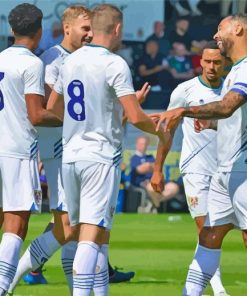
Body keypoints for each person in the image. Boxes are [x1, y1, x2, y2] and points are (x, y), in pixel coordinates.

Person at [47, 4, 166, 295]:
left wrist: (87, 122)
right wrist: (162, 131)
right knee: (90, 236)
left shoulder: (70, 61)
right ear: (116, 29)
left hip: (71, 156)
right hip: (100, 158)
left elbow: (52, 107)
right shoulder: (114, 63)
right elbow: (137, 117)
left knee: (96, 235)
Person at [150, 14, 247, 295]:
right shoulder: (235, 71)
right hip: (223, 173)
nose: (216, 35)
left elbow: (228, 107)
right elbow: (231, 116)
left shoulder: (244, 70)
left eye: (220, 28)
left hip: (241, 170)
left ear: (238, 28)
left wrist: (186, 111)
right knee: (208, 236)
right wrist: (211, 122)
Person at [0, 3, 62, 295]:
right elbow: (36, 115)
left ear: (11, 30)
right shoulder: (32, 63)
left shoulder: (0, 59)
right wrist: (71, 118)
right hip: (17, 150)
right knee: (16, 224)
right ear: (39, 32)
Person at [130, 135, 179, 211]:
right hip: (144, 184)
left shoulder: (150, 157)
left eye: (145, 144)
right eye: (141, 144)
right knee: (152, 187)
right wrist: (149, 166)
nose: (143, 146)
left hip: (156, 182)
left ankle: (154, 202)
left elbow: (157, 168)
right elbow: (139, 170)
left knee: (174, 187)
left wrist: (148, 166)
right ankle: (156, 204)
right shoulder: (134, 158)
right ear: (137, 144)